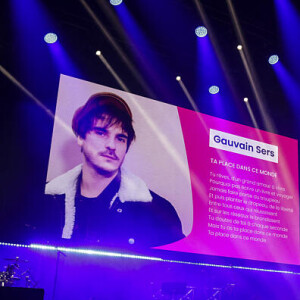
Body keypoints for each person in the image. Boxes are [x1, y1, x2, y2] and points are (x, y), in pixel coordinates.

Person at [44, 92, 184, 248]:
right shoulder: (47, 199)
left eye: (120, 138)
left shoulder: (158, 211)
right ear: (81, 138)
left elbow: (177, 270)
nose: (112, 145)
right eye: (101, 133)